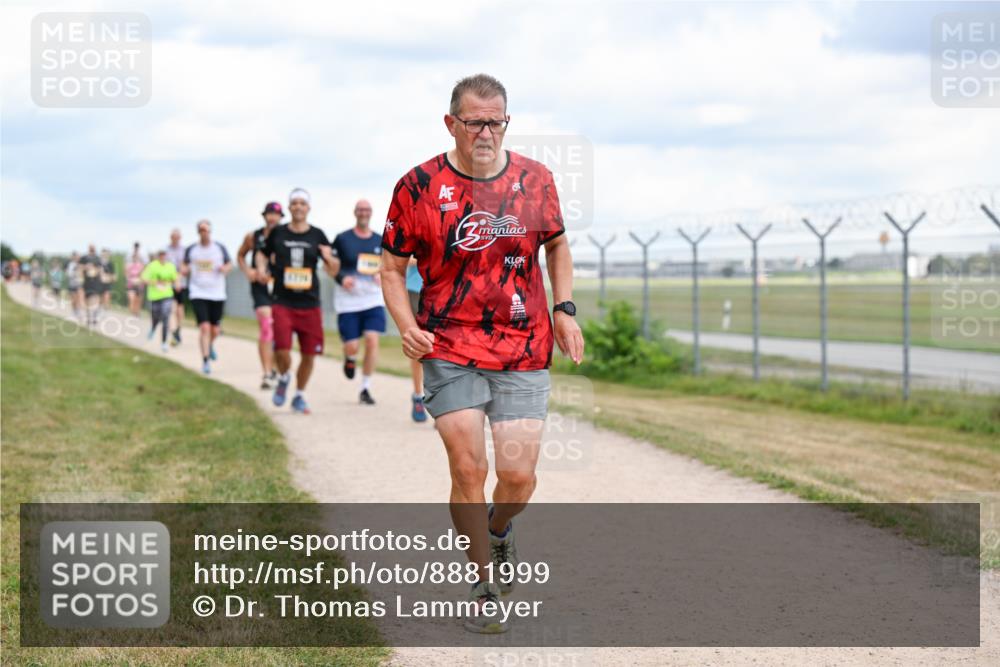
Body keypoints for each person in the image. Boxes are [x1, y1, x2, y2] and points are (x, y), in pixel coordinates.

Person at [380, 74, 584, 634]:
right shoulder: (418, 186)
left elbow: (557, 245)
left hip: (523, 345)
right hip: (447, 343)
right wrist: (406, 327)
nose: (487, 133)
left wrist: (564, 309)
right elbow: (392, 268)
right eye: (475, 123)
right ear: (452, 124)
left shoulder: (535, 180)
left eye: (497, 122)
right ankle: (484, 587)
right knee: (468, 466)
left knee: (518, 478)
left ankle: (497, 530)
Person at [257, 188, 340, 414]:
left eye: (303, 203)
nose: (298, 207)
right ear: (289, 207)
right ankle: (284, 376)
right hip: (283, 300)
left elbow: (333, 270)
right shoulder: (278, 232)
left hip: (310, 303)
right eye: (294, 203)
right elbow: (262, 253)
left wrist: (329, 257)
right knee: (281, 349)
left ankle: (299, 394)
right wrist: (262, 269)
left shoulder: (318, 235)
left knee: (309, 354)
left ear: (308, 208)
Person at [332, 199, 386, 405]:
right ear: (355, 212)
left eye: (367, 210)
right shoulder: (342, 239)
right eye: (360, 210)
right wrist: (341, 278)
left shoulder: (379, 240)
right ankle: (350, 358)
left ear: (371, 213)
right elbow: (330, 264)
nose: (364, 213)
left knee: (372, 340)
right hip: (348, 301)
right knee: (352, 346)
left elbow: (388, 265)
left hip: (373, 299)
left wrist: (381, 274)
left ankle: (365, 387)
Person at [237, 201, 283, 388]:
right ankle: (267, 373)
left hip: (281, 287)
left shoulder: (286, 236)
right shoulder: (253, 237)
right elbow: (240, 255)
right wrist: (248, 271)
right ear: (264, 216)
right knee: (266, 326)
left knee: (279, 330)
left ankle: (276, 368)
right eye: (269, 214)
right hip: (260, 286)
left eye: (276, 214)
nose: (272, 217)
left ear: (281, 217)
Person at [182, 220, 232, 374]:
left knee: (215, 330)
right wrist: (184, 270)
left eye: (206, 230)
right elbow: (183, 265)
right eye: (201, 230)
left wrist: (225, 269)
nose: (204, 233)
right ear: (198, 232)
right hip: (198, 292)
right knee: (204, 327)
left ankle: (209, 345)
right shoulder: (192, 249)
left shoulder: (219, 248)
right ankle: (205, 361)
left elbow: (229, 264)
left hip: (217, 293)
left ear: (210, 231)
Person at [140, 249, 177, 352]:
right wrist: (155, 282)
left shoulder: (170, 266)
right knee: (155, 317)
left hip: (167, 295)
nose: (162, 257)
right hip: (154, 296)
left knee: (165, 316)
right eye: (160, 255)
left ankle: (164, 342)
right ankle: (153, 328)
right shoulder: (152, 266)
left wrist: (175, 283)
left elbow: (175, 278)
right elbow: (143, 279)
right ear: (158, 256)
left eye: (164, 255)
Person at [405, 259, 429, 422]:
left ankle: (443, 403)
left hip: (445, 289)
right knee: (420, 345)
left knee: (443, 347)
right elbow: (405, 258)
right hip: (416, 289)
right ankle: (418, 395)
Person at [165, 229, 188, 345]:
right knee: (171, 308)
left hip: (181, 284)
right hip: (168, 283)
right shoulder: (166, 250)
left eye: (177, 237)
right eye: (173, 237)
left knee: (179, 308)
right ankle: (173, 330)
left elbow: (185, 267)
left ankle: (178, 328)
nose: (175, 239)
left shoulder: (184, 251)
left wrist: (178, 279)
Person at [79, 245, 103, 326]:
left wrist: (95, 270)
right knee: (87, 300)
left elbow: (100, 269)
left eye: (93, 249)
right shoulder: (84, 258)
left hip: (95, 282)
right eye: (91, 249)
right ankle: (89, 317)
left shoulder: (97, 259)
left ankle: (94, 316)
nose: (92, 250)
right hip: (86, 282)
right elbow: (80, 267)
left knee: (95, 298)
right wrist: (86, 267)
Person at [126, 244, 145, 316]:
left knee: (138, 300)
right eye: (134, 257)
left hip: (139, 284)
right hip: (131, 284)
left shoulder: (141, 265)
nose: (135, 258)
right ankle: (131, 313)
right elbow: (127, 274)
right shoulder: (129, 265)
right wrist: (130, 279)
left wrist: (139, 280)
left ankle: (137, 312)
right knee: (132, 298)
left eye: (137, 257)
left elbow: (143, 274)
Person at [65, 252, 83, 320]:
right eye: (76, 257)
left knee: (79, 298)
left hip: (79, 284)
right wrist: (75, 273)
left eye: (78, 257)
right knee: (74, 300)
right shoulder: (70, 265)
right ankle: (74, 312)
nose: (78, 258)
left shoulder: (80, 264)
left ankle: (79, 312)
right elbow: (69, 274)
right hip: (72, 284)